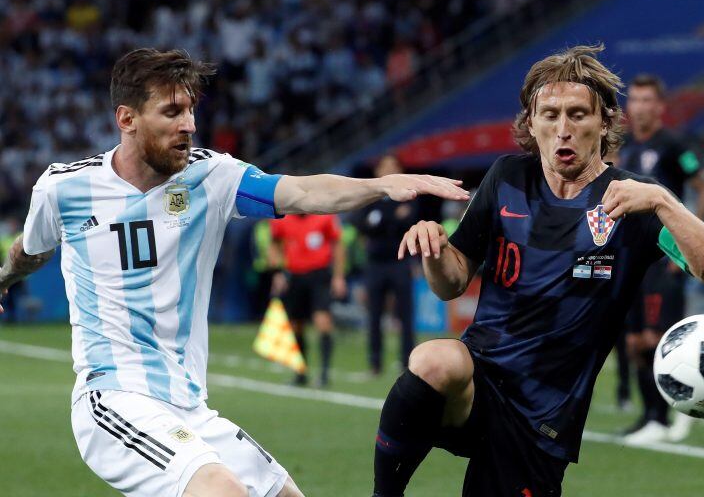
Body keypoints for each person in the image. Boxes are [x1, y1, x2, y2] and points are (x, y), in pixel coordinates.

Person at [0, 48, 469, 497]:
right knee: (222, 491)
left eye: (191, 111)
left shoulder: (211, 177)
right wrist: (3, 278)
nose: (189, 125)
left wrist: (381, 185)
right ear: (127, 119)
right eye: (172, 112)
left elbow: (302, 193)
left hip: (187, 405)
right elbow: (32, 249)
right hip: (113, 397)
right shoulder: (64, 188)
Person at [370, 44, 704, 497]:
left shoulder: (634, 198)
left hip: (542, 418)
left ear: (604, 122)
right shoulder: (506, 178)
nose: (563, 129)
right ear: (531, 123)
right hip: (479, 383)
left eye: (578, 115)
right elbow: (451, 283)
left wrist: (663, 200)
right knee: (432, 359)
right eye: (550, 115)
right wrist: (435, 249)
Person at [616, 74, 704, 444]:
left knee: (658, 339)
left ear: (660, 107)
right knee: (633, 344)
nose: (640, 107)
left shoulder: (673, 144)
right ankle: (650, 417)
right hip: (631, 260)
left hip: (663, 260)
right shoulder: (623, 147)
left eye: (648, 100)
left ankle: (676, 412)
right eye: (636, 100)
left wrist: (686, 247)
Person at [352, 155, 417, 375]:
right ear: (378, 170)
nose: (389, 169)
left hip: (401, 262)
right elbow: (361, 223)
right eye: (385, 166)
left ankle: (408, 363)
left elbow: (410, 221)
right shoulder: (370, 195)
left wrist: (380, 220)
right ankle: (375, 363)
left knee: (406, 315)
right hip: (376, 264)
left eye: (393, 166)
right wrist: (391, 219)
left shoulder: (410, 193)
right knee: (374, 315)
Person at [269, 213, 345, 386]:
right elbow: (274, 244)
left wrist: (339, 276)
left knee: (323, 321)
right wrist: (277, 272)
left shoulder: (324, 215)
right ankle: (300, 372)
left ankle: (325, 374)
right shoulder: (282, 217)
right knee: (296, 326)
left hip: (319, 276)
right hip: (294, 277)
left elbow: (338, 244)